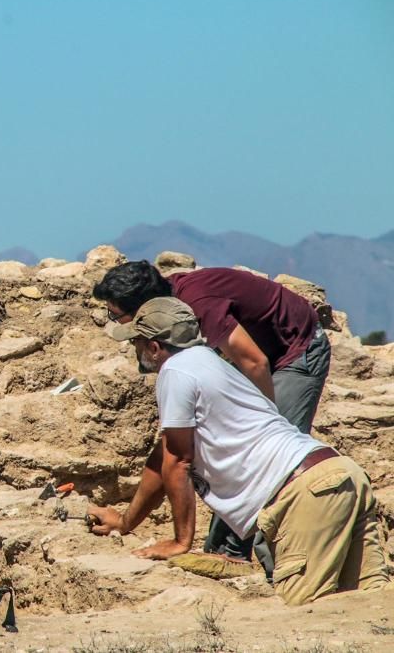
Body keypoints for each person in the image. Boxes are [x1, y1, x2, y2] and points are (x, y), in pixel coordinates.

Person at [87, 297, 389, 606]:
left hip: (302, 494)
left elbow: (177, 461)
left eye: (137, 342)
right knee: (368, 606)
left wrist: (180, 541)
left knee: (304, 611)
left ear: (154, 347)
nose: (134, 349)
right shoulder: (207, 361)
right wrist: (125, 523)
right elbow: (164, 455)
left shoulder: (175, 371)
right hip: (339, 473)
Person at [93, 260, 331, 565]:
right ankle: (225, 551)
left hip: (294, 350)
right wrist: (127, 522)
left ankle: (240, 556)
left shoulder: (195, 308)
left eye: (118, 315)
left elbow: (254, 362)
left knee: (265, 460)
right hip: (259, 354)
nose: (117, 324)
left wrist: (264, 421)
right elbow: (169, 451)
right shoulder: (176, 324)